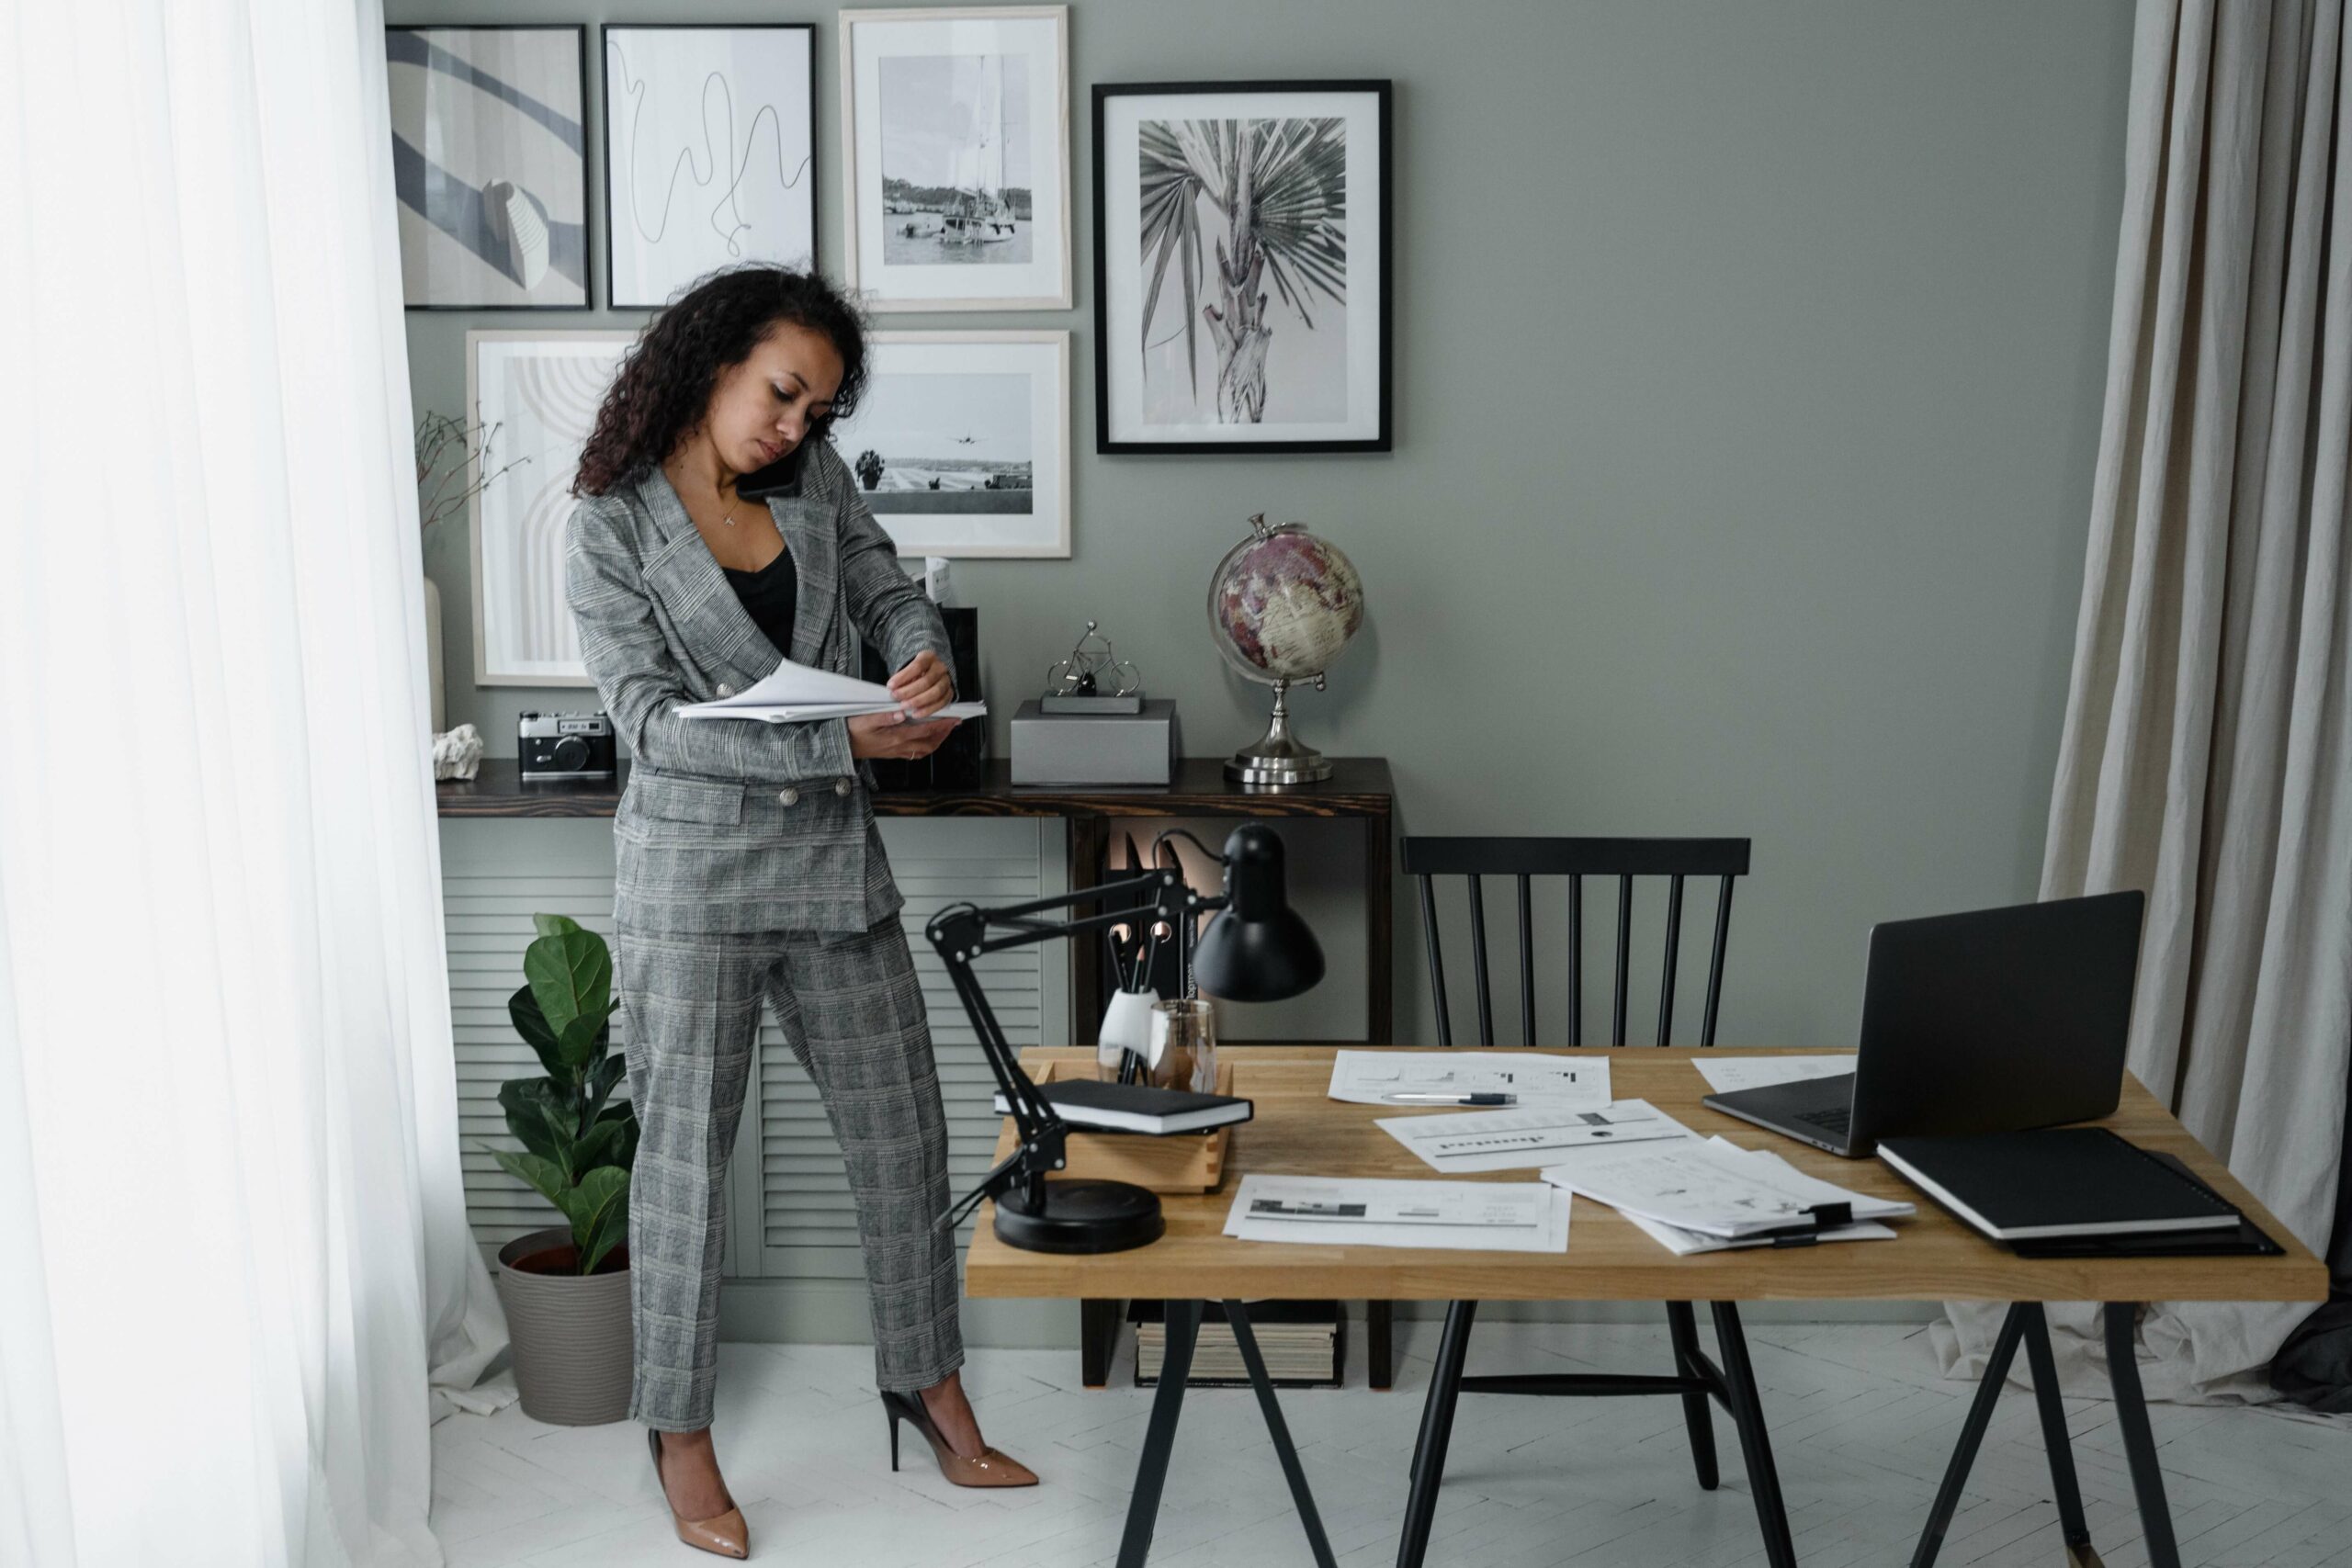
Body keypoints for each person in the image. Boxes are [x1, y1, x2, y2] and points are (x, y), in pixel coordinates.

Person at [565, 265, 1035, 1561]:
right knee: (681, 1180)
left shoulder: (813, 484)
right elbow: (650, 724)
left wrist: (916, 648)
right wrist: (848, 749)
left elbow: (887, 587)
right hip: (692, 891)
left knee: (905, 1145)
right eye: (782, 394)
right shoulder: (607, 522)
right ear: (711, 360)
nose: (794, 427)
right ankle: (681, 1435)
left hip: (835, 878)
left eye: (817, 410)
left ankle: (929, 1383)